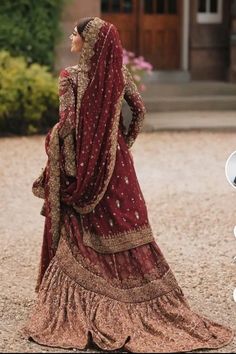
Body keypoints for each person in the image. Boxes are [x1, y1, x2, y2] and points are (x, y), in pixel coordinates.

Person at [21, 16, 234, 352]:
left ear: (87, 41)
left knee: (86, 221)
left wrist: (55, 146)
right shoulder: (118, 74)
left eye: (75, 34)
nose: (71, 37)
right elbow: (140, 110)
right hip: (116, 161)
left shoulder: (71, 78)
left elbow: (68, 124)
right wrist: (121, 142)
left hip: (84, 163)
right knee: (126, 222)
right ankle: (139, 295)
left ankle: (86, 297)